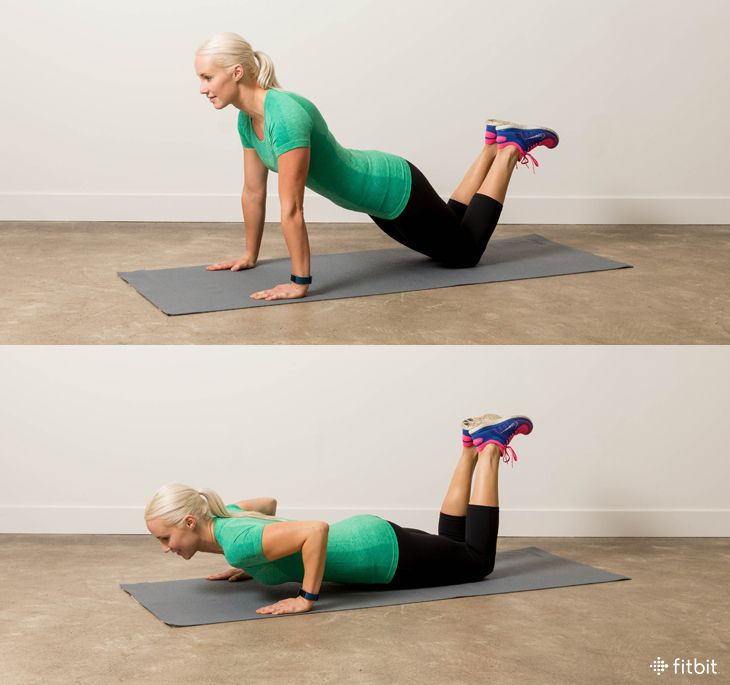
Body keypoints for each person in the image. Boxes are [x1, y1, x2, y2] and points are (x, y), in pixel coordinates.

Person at [195, 32, 559, 302]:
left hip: (391, 188)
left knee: (464, 254)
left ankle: (510, 150)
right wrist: (249, 255)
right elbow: (253, 192)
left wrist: (299, 281)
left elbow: (291, 207)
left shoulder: (284, 116)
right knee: (449, 232)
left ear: (237, 72)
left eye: (207, 78)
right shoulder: (247, 120)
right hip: (380, 199)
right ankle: (492, 145)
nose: (202, 88)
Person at [145, 413, 533, 616]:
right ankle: (468, 445)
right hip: (370, 536)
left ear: (190, 522)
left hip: (381, 558)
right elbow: (266, 504)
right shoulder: (223, 516)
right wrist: (259, 561)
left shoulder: (236, 542)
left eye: (165, 537)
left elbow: (314, 530)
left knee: (477, 562)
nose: (165, 547)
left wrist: (306, 597)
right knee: (451, 544)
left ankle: (489, 449)